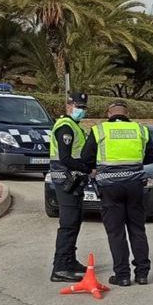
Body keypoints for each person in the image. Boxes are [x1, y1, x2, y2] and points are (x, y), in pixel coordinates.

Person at [81, 100, 153, 287]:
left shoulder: (100, 130)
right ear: (127, 113)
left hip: (110, 187)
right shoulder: (140, 130)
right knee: (137, 230)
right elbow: (152, 157)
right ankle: (142, 274)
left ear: (109, 114)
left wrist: (95, 169)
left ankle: (122, 275)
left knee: (116, 233)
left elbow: (86, 159)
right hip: (134, 186)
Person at [49, 93, 90, 282]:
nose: (81, 110)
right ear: (69, 105)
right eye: (78, 106)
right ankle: (60, 268)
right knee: (68, 224)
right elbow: (65, 159)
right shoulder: (65, 127)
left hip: (73, 181)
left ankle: (70, 260)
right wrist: (87, 167)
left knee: (75, 221)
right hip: (65, 180)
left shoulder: (74, 126)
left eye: (83, 107)